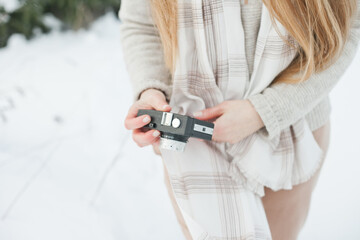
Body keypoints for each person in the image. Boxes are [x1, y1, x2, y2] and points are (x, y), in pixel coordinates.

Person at [119, 0, 360, 239]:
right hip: (192, 145)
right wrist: (150, 88)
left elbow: (348, 27)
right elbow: (141, 24)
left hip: (289, 136)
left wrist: (264, 111)